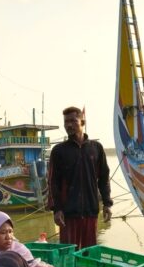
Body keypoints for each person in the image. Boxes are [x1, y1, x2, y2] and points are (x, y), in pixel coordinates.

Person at [47, 106, 112, 249]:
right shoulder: (59, 151)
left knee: (89, 254)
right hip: (68, 214)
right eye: (66, 122)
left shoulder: (96, 148)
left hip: (91, 211)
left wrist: (107, 203)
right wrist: (57, 209)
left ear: (82, 122)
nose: (68, 125)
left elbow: (104, 178)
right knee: (69, 254)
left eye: (73, 121)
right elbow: (52, 182)